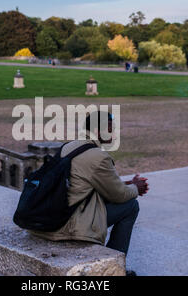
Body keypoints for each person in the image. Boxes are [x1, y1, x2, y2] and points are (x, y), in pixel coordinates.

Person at [30, 111, 149, 275]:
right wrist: (136, 188)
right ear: (99, 131)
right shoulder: (98, 156)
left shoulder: (69, 146)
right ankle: (111, 265)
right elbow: (119, 195)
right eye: (110, 129)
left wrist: (125, 184)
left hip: (52, 216)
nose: (114, 134)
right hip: (68, 226)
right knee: (130, 206)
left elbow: (88, 182)